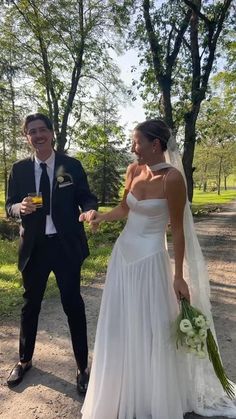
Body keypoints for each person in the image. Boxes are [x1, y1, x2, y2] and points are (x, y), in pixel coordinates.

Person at [80, 119, 236, 418]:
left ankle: (153, 393)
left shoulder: (173, 179)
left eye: (136, 141)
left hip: (151, 259)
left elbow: (177, 231)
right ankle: (123, 388)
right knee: (121, 325)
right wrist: (100, 217)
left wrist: (178, 276)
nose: (132, 147)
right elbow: (125, 209)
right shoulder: (133, 170)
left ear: (155, 144)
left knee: (150, 326)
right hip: (123, 256)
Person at [6, 113, 98, 394]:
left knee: (72, 303)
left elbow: (86, 195)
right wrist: (17, 209)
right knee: (30, 304)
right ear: (26, 137)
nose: (38, 135)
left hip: (65, 245)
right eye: (31, 131)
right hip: (34, 247)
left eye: (42, 130)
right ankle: (24, 360)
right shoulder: (19, 169)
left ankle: (83, 367)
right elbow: (8, 205)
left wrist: (89, 209)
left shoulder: (70, 165)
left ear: (52, 132)